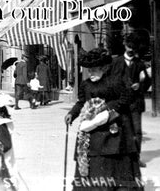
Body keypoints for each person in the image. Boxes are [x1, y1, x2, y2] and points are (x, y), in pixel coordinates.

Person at [64, 48, 142, 190]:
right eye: (89, 70)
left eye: (94, 70)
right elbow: (81, 102)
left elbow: (126, 98)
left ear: (104, 68)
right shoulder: (86, 84)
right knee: (94, 158)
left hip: (113, 129)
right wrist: (72, 114)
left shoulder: (115, 81)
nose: (90, 73)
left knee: (112, 160)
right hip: (92, 130)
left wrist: (108, 110)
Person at [109, 32, 151, 168]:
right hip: (119, 103)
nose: (131, 49)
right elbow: (110, 82)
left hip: (135, 103)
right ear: (125, 45)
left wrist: (140, 86)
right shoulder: (115, 62)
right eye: (129, 46)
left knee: (137, 131)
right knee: (119, 130)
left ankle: (135, 158)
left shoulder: (140, 64)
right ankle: (121, 159)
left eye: (133, 47)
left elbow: (147, 81)